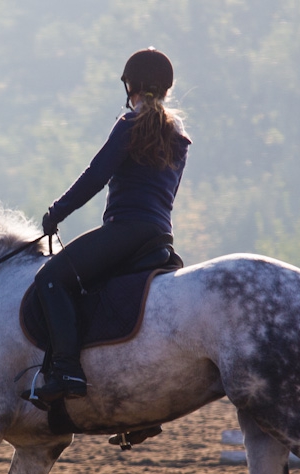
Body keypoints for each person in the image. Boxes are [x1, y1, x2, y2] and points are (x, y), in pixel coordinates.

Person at [28, 48, 191, 405]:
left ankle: (68, 368)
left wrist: (57, 212)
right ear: (166, 88)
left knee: (50, 279)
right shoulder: (179, 137)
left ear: (129, 86)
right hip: (160, 237)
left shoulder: (129, 125)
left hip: (125, 231)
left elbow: (96, 176)